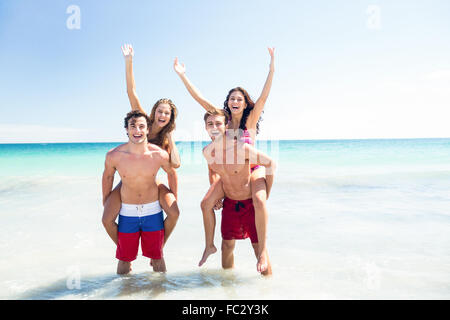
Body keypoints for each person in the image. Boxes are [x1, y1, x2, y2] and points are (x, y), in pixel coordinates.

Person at [174, 48, 275, 272]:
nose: (235, 101)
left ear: (244, 102)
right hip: (229, 171)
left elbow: (264, 97)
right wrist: (182, 75)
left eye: (239, 98)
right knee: (206, 203)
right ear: (227, 102)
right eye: (232, 98)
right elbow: (200, 100)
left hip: (252, 166)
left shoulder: (250, 120)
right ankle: (209, 246)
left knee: (259, 201)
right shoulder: (223, 121)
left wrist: (271, 68)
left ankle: (263, 251)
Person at [102, 44, 180, 250]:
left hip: (153, 181)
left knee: (174, 212)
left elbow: (176, 165)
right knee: (107, 217)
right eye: (160, 111)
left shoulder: (165, 139)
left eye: (167, 114)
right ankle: (125, 247)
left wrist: (170, 136)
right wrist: (129, 61)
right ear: (154, 112)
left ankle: (159, 244)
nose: (163, 116)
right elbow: (131, 91)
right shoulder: (141, 122)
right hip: (129, 179)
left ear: (171, 118)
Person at [200, 109, 276, 276]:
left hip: (249, 203)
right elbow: (214, 172)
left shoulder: (240, 148)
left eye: (218, 123)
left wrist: (266, 193)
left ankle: (268, 289)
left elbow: (270, 163)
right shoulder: (208, 152)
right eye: (210, 124)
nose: (214, 127)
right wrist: (216, 196)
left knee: (258, 251)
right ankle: (228, 287)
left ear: (226, 126)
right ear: (205, 127)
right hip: (230, 203)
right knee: (226, 246)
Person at [102, 110, 177, 274]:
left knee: (158, 259)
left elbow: (172, 173)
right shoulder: (114, 155)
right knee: (124, 261)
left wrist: (174, 195)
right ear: (126, 129)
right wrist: (106, 199)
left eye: (142, 126)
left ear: (148, 130)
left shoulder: (159, 154)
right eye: (133, 126)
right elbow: (107, 177)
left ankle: (160, 293)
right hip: (127, 211)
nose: (137, 131)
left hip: (153, 210)